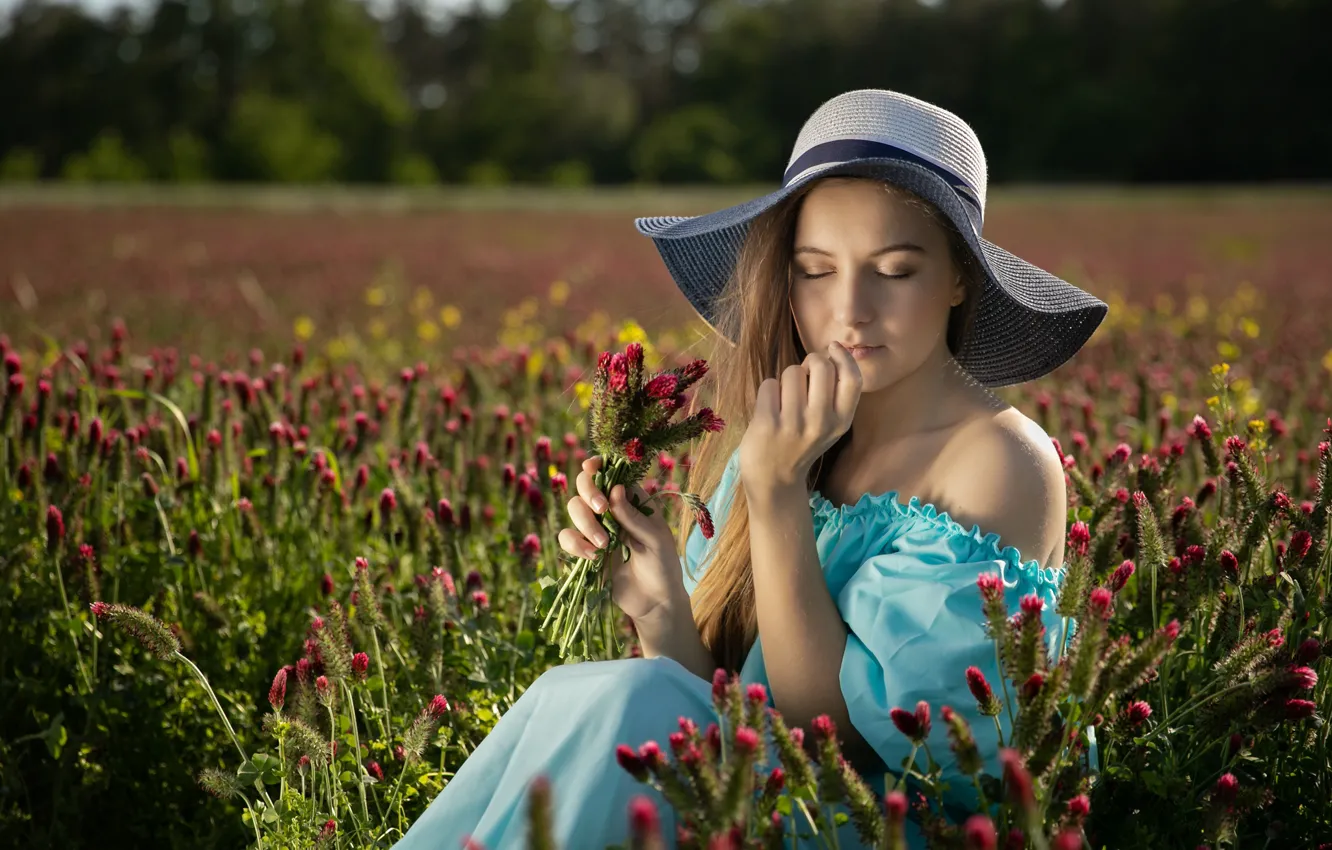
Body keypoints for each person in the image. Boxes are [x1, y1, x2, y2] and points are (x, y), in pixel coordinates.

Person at [393, 89, 1108, 850]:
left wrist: (775, 494)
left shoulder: (998, 461)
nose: (849, 311)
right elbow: (728, 712)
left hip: (869, 826)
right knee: (605, 694)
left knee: (626, 704)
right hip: (754, 801)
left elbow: (833, 747)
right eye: (815, 271)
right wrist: (663, 605)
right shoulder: (783, 429)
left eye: (895, 271)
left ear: (960, 276)